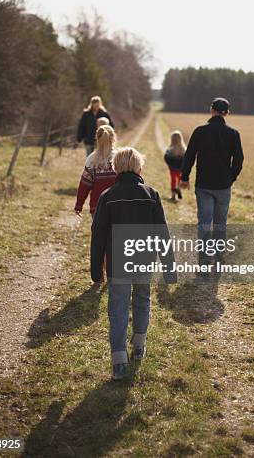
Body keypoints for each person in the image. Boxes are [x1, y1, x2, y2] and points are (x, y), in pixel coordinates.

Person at [91, 147, 176, 381]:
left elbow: (98, 234)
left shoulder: (107, 196)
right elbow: (162, 233)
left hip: (118, 262)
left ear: (115, 168)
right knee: (141, 299)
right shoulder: (151, 194)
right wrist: (169, 268)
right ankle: (139, 345)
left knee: (117, 308)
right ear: (139, 167)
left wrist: (96, 269)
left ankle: (119, 361)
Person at [180, 97, 244, 253]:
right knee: (220, 223)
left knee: (204, 222)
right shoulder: (233, 134)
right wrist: (231, 177)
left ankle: (204, 256)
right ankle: (218, 255)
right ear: (227, 113)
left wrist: (184, 177)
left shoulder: (200, 131)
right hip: (223, 185)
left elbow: (189, 156)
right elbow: (239, 159)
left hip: (204, 185)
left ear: (211, 110)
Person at [74, 125, 117, 217]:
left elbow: (85, 185)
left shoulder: (91, 159)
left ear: (97, 139)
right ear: (113, 139)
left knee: (99, 231)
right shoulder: (119, 158)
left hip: (97, 207)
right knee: (116, 232)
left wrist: (79, 205)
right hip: (117, 205)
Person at [164, 130, 186, 202]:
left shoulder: (170, 149)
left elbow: (166, 158)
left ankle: (173, 195)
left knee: (173, 181)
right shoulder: (183, 149)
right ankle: (178, 189)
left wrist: (170, 164)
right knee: (179, 180)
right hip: (180, 169)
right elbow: (186, 159)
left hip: (172, 169)